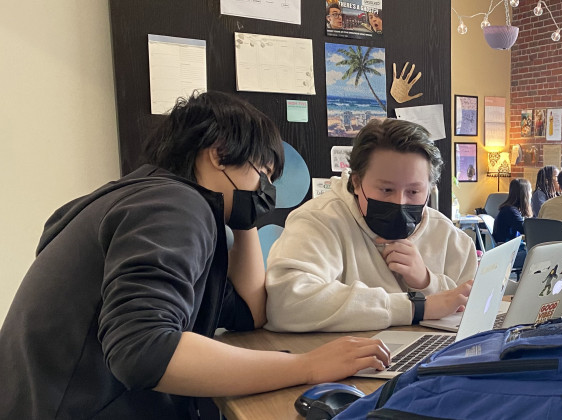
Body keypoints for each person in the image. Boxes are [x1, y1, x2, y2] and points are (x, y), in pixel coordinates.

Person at [0, 92, 389, 419]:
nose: (267, 190)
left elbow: (250, 313)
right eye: (264, 173)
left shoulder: (140, 197)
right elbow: (144, 350)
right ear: (219, 153)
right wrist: (307, 366)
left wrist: (244, 219)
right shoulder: (172, 205)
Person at [265, 118, 476, 332]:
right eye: (386, 190)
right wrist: (416, 307)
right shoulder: (319, 220)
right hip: (343, 359)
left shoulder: (451, 239)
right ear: (357, 183)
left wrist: (425, 281)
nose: (399, 202)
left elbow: (475, 310)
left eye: (413, 192)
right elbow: (287, 302)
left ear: (430, 188)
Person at [492, 178, 532, 269]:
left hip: (508, 251)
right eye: (530, 191)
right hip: (508, 255)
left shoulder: (509, 209)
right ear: (524, 194)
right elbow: (526, 230)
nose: (531, 195)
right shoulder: (511, 211)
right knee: (537, 256)